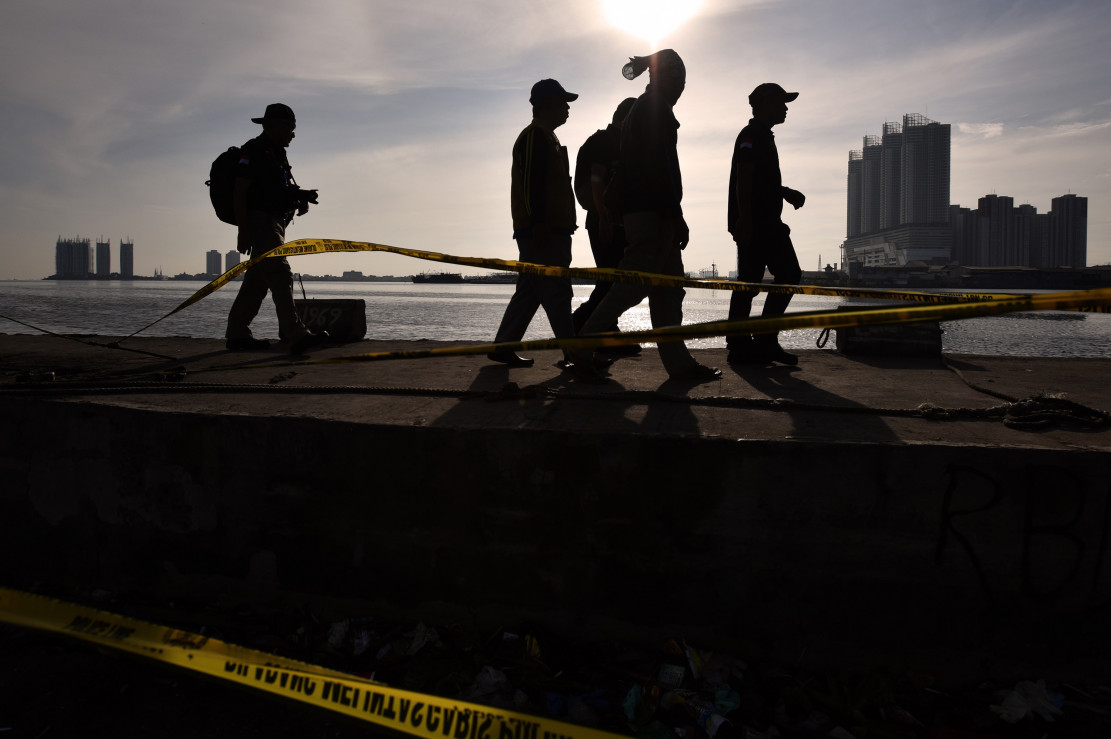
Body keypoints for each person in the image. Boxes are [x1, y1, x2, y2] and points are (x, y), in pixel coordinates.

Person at [568, 50, 720, 384]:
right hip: (652, 214)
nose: (680, 88)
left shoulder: (648, 109)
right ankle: (582, 346)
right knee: (630, 287)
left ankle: (679, 364)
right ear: (660, 78)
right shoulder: (654, 111)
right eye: (677, 80)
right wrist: (675, 215)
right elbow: (659, 171)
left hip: (652, 212)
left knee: (669, 290)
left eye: (683, 82)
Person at [487, 79, 580, 367]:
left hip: (550, 230)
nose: (567, 108)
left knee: (530, 291)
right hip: (544, 232)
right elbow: (531, 185)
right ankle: (575, 355)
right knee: (557, 291)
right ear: (548, 104)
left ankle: (504, 345)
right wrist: (539, 225)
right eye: (563, 102)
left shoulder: (546, 137)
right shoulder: (534, 137)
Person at [225, 103, 327, 354]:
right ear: (274, 126)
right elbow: (240, 191)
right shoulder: (253, 151)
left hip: (275, 223)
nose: (293, 134)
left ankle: (237, 333)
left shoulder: (276, 153)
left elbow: (274, 190)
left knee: (257, 281)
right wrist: (243, 230)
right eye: (290, 128)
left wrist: (299, 197)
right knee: (280, 273)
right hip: (260, 222)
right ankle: (294, 333)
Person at [725, 83, 806, 366]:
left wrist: (784, 192)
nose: (785, 108)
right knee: (786, 274)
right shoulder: (751, 135)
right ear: (765, 103)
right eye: (781, 102)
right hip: (759, 223)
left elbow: (759, 179)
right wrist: (745, 220)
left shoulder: (761, 136)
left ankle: (748, 343)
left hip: (762, 220)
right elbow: (744, 177)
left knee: (749, 282)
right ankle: (757, 341)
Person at [571, 97, 640, 356]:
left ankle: (608, 330)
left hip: (619, 220)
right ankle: (579, 325)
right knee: (611, 280)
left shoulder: (624, 143)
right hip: (604, 219)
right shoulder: (602, 141)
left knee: (617, 280)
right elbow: (596, 180)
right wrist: (603, 216)